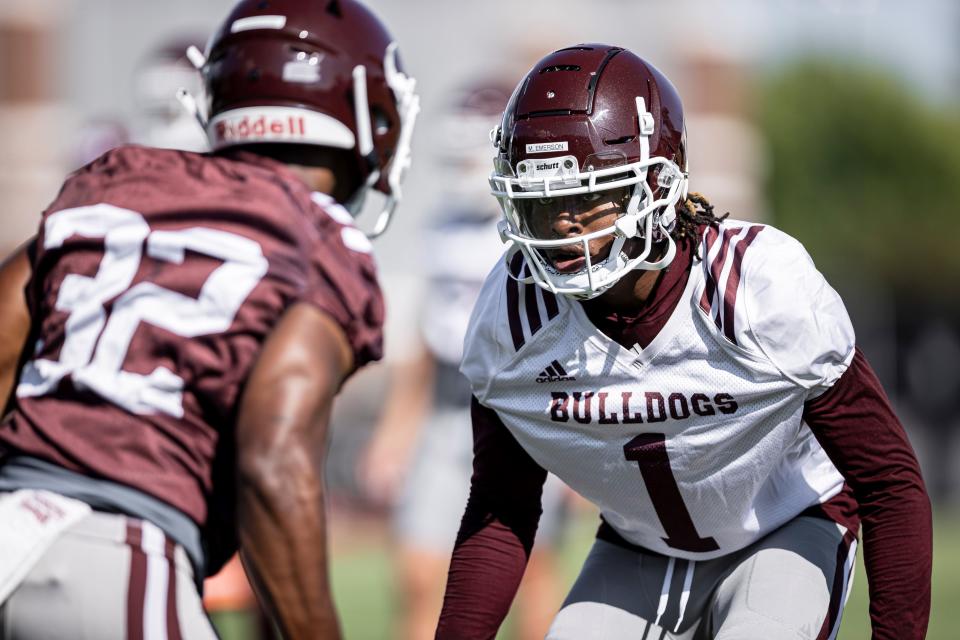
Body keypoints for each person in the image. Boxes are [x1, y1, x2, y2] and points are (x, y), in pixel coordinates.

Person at [435, 44, 931, 640]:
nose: (561, 225)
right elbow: (501, 508)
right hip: (638, 544)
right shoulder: (512, 316)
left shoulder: (755, 287)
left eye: (586, 198)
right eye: (540, 202)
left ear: (658, 187)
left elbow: (889, 483)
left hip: (791, 522)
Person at [0, 1, 418, 638]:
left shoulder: (116, 179)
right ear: (371, 113)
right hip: (118, 548)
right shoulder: (320, 236)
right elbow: (273, 456)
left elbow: (5, 338)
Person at [359, 81, 571, 640]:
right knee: (420, 573)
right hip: (450, 408)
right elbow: (427, 343)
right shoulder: (439, 229)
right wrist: (395, 432)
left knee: (532, 574)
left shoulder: (541, 234)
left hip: (529, 410)